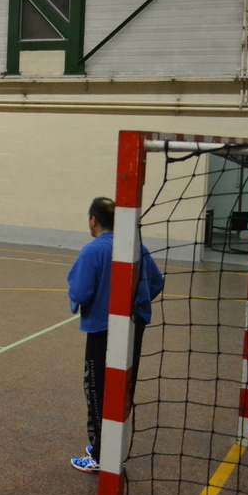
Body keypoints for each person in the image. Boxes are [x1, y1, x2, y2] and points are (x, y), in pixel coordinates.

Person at [67, 197, 164, 474]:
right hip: (133, 328)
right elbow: (156, 282)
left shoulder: (92, 251)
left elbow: (80, 291)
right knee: (123, 387)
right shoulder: (137, 247)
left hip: (102, 331)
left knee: (97, 390)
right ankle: (112, 445)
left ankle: (101, 454)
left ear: (93, 220)